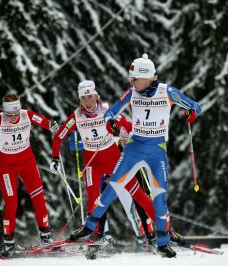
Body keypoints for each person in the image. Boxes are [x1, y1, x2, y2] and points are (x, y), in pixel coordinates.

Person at [68, 54, 202, 258]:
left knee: (159, 196)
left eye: (134, 78)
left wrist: (192, 113)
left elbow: (195, 106)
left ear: (147, 77)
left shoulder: (167, 92)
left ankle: (163, 243)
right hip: (134, 147)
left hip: (157, 150)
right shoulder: (131, 93)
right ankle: (89, 227)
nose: (131, 82)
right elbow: (109, 112)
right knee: (112, 187)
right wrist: (110, 122)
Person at [50, 80, 155, 242]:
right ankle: (96, 236)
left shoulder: (107, 111)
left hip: (114, 159)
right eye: (83, 98)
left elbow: (128, 124)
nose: (87, 102)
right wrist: (55, 158)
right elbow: (59, 137)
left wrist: (136, 135)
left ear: (96, 96)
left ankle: (161, 228)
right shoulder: (76, 117)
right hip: (92, 163)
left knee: (138, 193)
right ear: (80, 100)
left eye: (90, 97)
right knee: (94, 199)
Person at [0, 94, 59, 257]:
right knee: (11, 203)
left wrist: (53, 127)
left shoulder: (27, 115)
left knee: (39, 198)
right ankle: (8, 243)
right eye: (10, 115)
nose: (13, 118)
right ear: (4, 111)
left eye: (16, 114)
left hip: (27, 164)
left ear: (19, 109)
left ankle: (46, 236)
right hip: (7, 167)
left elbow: (48, 124)